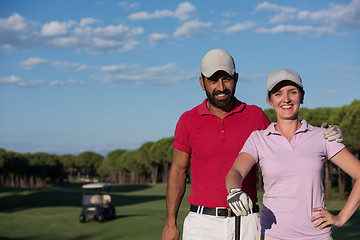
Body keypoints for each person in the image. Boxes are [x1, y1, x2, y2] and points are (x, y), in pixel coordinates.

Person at [161, 49, 343, 240]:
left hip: (247, 222)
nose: (221, 87)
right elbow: (178, 172)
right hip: (202, 222)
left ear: (236, 78)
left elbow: (287, 139)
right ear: (202, 82)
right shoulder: (188, 120)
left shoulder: (255, 116)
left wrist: (324, 134)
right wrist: (170, 223)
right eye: (213, 80)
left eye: (227, 79)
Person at [226, 68, 360, 240]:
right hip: (272, 235)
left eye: (293, 92)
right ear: (269, 99)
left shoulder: (322, 136)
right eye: (278, 93)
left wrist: (341, 218)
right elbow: (235, 172)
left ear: (302, 96)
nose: (286, 99)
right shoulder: (259, 138)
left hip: (317, 236)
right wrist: (234, 191)